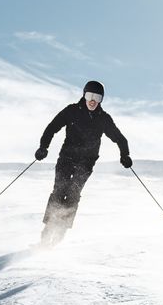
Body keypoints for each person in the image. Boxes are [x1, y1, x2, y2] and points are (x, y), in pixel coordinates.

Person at [35, 80, 131, 245]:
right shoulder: (71, 111)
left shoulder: (103, 119)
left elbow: (119, 138)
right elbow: (52, 127)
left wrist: (125, 155)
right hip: (67, 157)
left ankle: (60, 232)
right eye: (90, 95)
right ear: (84, 95)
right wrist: (43, 147)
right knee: (59, 191)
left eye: (97, 97)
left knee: (73, 194)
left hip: (86, 162)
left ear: (101, 100)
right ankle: (48, 231)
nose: (93, 100)